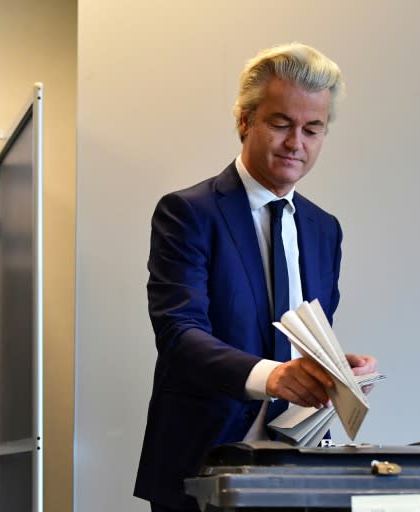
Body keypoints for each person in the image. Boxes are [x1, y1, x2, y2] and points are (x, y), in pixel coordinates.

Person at [134, 42, 377, 512]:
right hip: (203, 467)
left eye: (312, 129)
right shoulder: (188, 213)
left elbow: (306, 341)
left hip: (300, 469)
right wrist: (273, 378)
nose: (296, 144)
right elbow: (179, 335)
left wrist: (337, 373)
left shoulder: (325, 229)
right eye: (281, 123)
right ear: (245, 121)